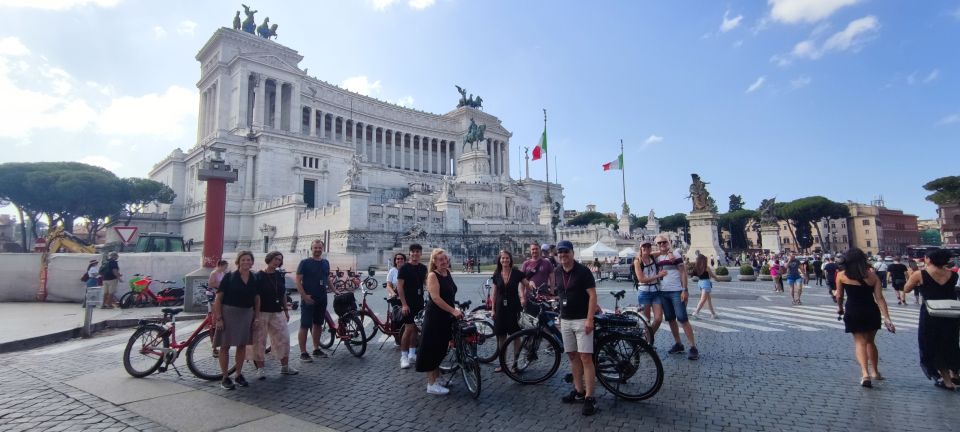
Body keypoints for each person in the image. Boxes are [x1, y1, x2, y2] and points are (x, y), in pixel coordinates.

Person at [835, 248, 895, 388]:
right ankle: (875, 372)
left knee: (860, 342)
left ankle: (865, 374)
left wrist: (840, 308)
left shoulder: (842, 275)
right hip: (871, 310)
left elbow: (839, 296)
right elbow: (880, 298)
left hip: (853, 310)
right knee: (870, 342)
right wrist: (887, 318)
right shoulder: (873, 276)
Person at [903, 248, 960, 390]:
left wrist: (912, 278)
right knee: (951, 342)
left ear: (929, 259)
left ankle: (947, 380)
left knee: (934, 345)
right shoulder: (952, 274)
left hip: (931, 314)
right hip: (950, 314)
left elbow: (906, 289)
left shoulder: (920, 274)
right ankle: (955, 372)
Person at [553, 240, 599, 416]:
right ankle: (579, 391)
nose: (563, 255)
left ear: (572, 253)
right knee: (572, 356)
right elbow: (560, 293)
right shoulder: (557, 271)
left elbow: (592, 295)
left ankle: (590, 397)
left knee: (586, 357)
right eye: (560, 252)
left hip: (582, 320)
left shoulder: (583, 271)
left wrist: (589, 319)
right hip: (566, 320)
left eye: (566, 252)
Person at [415, 248, 463, 395]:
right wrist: (453, 311)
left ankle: (437, 377)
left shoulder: (447, 273)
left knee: (441, 349)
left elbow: (449, 294)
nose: (444, 261)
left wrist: (454, 309)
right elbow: (436, 298)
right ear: (434, 262)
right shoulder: (432, 276)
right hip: (435, 317)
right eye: (440, 259)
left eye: (445, 259)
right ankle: (431, 383)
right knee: (432, 349)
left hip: (445, 316)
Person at [214, 251, 260, 390]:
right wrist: (219, 318)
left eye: (249, 260)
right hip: (229, 313)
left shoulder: (254, 278)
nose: (246, 262)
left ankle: (239, 374)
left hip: (246, 313)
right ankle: (225, 377)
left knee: (242, 345)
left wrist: (256, 317)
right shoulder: (229, 277)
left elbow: (257, 299)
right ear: (238, 262)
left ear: (252, 262)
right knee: (225, 345)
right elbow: (218, 299)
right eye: (243, 260)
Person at [251, 251, 298, 379]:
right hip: (262, 312)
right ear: (269, 259)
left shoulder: (280, 275)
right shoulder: (258, 276)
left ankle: (285, 367)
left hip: (277, 311)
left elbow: (283, 294)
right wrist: (255, 315)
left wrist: (286, 310)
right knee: (259, 340)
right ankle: (260, 369)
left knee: (283, 339)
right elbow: (256, 297)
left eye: (279, 260)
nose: (277, 262)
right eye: (275, 259)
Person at [654, 234, 699, 360]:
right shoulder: (657, 258)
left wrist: (684, 290)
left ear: (668, 243)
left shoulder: (676, 255)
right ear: (657, 245)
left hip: (676, 291)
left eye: (664, 242)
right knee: (670, 319)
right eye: (659, 243)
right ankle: (678, 344)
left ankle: (693, 347)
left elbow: (683, 272)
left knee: (683, 318)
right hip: (663, 292)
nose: (662, 244)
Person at [490, 250, 528, 373]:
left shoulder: (517, 273)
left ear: (510, 259)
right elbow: (494, 293)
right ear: (499, 260)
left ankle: (515, 364)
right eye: (502, 258)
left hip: (514, 308)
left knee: (516, 336)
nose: (505, 260)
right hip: (500, 308)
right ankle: (503, 364)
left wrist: (531, 289)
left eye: (507, 258)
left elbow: (527, 285)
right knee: (501, 337)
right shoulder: (496, 274)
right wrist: (492, 309)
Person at [296, 239, 330, 362]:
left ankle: (316, 349)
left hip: (322, 297)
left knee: (318, 324)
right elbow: (298, 281)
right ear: (311, 249)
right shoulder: (304, 263)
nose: (317, 250)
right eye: (315, 248)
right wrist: (305, 296)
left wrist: (334, 290)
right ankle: (303, 352)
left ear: (322, 249)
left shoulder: (326, 262)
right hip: (308, 298)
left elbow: (327, 278)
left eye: (319, 248)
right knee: (305, 325)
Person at [397, 244, 427, 369]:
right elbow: (400, 287)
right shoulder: (404, 268)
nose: (415, 254)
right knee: (408, 329)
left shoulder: (423, 268)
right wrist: (404, 304)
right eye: (413, 252)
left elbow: (426, 283)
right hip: (407, 303)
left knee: (416, 329)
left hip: (419, 301)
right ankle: (403, 356)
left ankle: (412, 353)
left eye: (417, 252)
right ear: (410, 253)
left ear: (420, 253)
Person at [633, 241, 665, 341]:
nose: (646, 248)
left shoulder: (652, 256)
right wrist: (658, 276)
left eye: (648, 246)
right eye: (644, 247)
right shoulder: (637, 261)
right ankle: (647, 343)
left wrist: (664, 244)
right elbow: (641, 279)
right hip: (644, 292)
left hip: (655, 291)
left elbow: (664, 251)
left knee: (659, 319)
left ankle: (647, 338)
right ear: (640, 248)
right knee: (647, 321)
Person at [692, 254, 718, 319]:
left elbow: (693, 274)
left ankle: (713, 314)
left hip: (700, 283)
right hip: (706, 283)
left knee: (708, 299)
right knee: (703, 299)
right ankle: (696, 312)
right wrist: (717, 279)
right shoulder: (706, 267)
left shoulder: (697, 267)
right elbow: (712, 275)